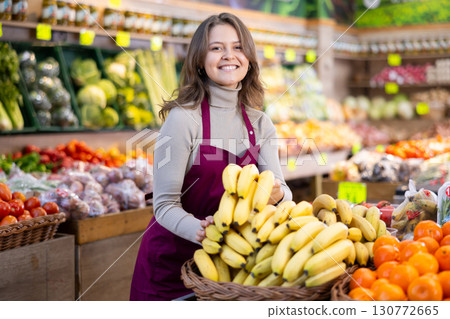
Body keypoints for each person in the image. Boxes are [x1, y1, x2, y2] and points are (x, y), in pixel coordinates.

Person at [130, 12, 292, 301]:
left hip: (232, 269)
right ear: (200, 60)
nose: (229, 55)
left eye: (238, 47)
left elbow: (283, 190)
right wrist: (200, 230)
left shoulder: (260, 123)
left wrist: (278, 195)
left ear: (250, 58)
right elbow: (164, 204)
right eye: (217, 48)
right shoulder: (183, 120)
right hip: (171, 268)